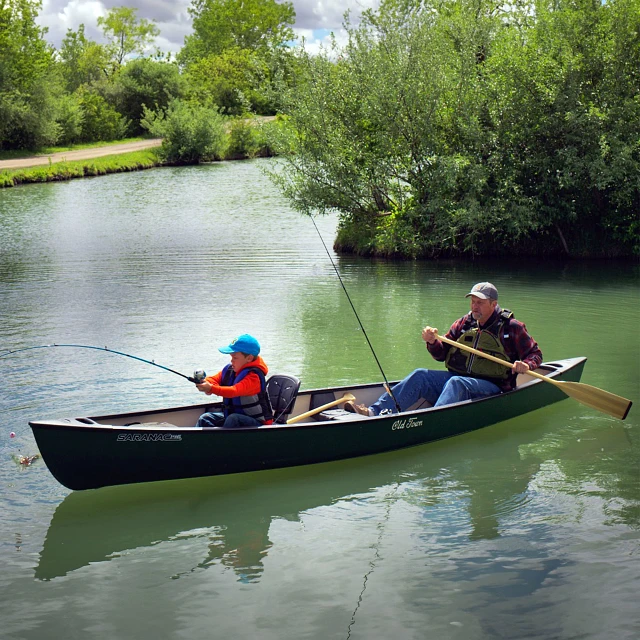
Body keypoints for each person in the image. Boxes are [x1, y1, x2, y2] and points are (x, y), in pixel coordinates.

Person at [346, 282, 543, 416]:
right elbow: (442, 355)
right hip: (457, 381)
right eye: (473, 302)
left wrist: (526, 364)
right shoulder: (464, 324)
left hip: (493, 388)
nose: (475, 307)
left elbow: (535, 354)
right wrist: (432, 342)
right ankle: (374, 412)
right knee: (420, 375)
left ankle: (431, 421)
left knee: (457, 383)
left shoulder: (512, 327)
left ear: (494, 304)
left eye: (480, 303)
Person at [195, 334, 274, 428]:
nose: (231, 361)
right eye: (231, 357)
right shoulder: (231, 370)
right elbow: (213, 379)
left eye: (235, 358)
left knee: (233, 419)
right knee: (205, 418)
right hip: (235, 416)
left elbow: (234, 391)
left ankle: (222, 442)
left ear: (249, 358)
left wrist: (211, 388)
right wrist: (205, 385)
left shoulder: (254, 378)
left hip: (258, 423)